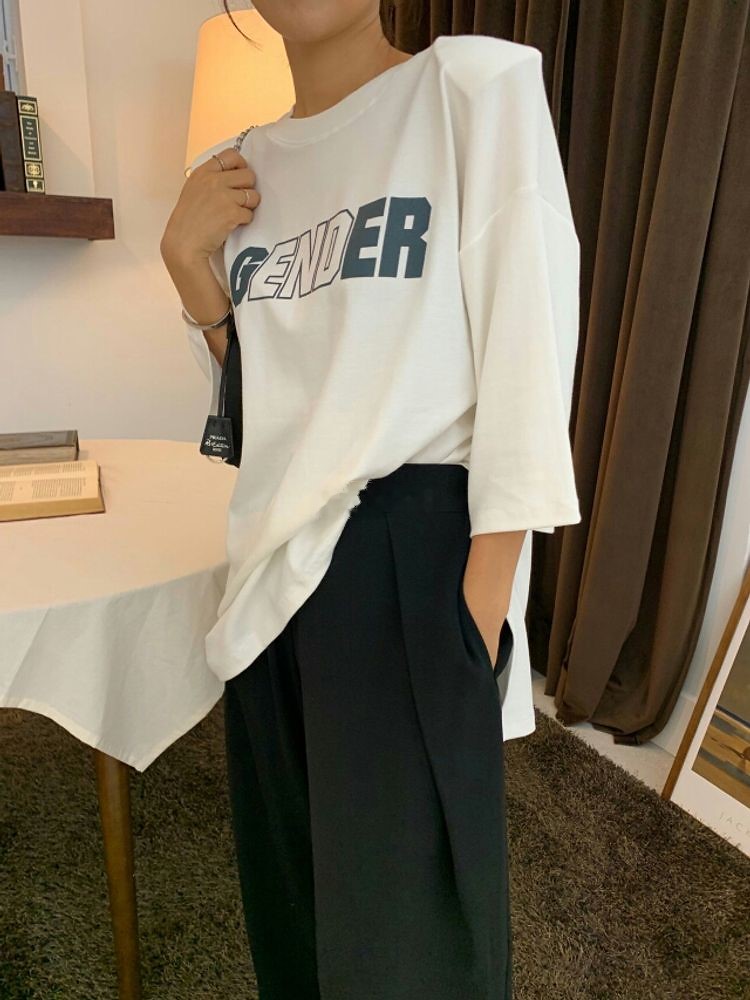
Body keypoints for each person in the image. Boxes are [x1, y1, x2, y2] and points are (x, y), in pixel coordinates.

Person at [161, 2, 582, 997]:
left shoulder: (470, 89)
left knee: (415, 946)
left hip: (412, 563)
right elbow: (265, 414)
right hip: (269, 567)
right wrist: (188, 271)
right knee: (295, 922)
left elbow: (529, 352)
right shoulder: (242, 169)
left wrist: (477, 614)